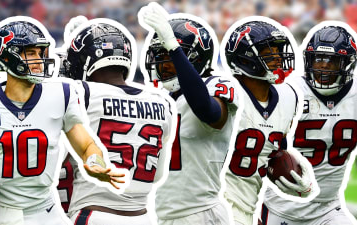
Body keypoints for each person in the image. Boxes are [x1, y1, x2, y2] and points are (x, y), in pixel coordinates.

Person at [0, 16, 125, 225]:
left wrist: (94, 162)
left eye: (40, 52)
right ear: (7, 57)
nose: (39, 59)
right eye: (30, 52)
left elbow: (86, 145)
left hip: (42, 207)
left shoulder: (62, 94)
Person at [57, 18, 176, 225]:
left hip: (94, 213)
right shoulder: (161, 102)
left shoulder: (80, 93)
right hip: (142, 217)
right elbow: (156, 175)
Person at [139, 3, 240, 224]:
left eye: (168, 55)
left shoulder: (217, 84)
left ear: (195, 58)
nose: (163, 63)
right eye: (160, 54)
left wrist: (174, 48)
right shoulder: (159, 98)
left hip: (200, 213)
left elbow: (208, 111)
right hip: (164, 215)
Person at [222, 18, 316, 225]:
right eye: (268, 51)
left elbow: (269, 154)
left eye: (278, 50)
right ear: (245, 57)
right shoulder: (224, 94)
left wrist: (291, 175)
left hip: (247, 208)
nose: (278, 57)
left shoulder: (289, 96)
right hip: (216, 207)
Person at [262, 23, 357, 225]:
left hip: (328, 208)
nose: (322, 66)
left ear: (347, 63)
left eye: (331, 60)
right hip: (282, 207)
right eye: (318, 59)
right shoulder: (289, 91)